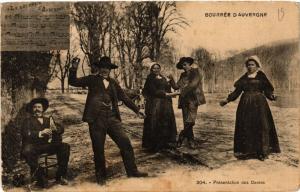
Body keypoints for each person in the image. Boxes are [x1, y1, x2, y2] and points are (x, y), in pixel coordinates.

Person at [68, 56, 148, 185]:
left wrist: (137, 110)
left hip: (112, 118)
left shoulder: (113, 83)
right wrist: (73, 68)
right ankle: (101, 178)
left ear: (110, 69)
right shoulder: (92, 79)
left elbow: (125, 98)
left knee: (125, 143)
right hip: (96, 119)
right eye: (103, 67)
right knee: (98, 149)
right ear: (98, 68)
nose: (105, 70)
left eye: (107, 68)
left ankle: (132, 171)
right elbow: (73, 82)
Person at [220, 55, 281, 161]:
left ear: (257, 66)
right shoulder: (244, 78)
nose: (250, 67)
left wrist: (272, 97)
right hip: (245, 105)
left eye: (252, 65)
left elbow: (267, 90)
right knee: (246, 125)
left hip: (260, 104)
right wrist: (227, 100)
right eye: (248, 65)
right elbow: (237, 92)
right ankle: (247, 151)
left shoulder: (261, 76)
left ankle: (262, 152)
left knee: (262, 126)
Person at [21, 98, 70, 188]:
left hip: (48, 145)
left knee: (65, 146)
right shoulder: (27, 121)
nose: (37, 109)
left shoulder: (48, 120)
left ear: (43, 109)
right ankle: (40, 176)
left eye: (39, 107)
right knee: (27, 151)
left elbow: (60, 129)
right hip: (34, 146)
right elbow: (25, 133)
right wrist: (40, 133)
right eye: (34, 107)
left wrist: (56, 129)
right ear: (32, 109)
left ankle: (60, 175)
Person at [168, 57, 206, 149]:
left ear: (189, 64)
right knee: (186, 121)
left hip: (193, 99)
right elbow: (177, 86)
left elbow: (193, 84)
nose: (184, 67)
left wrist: (182, 91)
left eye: (185, 64)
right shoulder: (182, 75)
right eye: (182, 66)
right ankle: (191, 140)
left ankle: (181, 136)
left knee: (191, 120)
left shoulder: (196, 72)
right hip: (184, 99)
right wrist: (171, 79)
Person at [142, 63, 179, 152]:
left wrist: (171, 79)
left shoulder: (163, 78)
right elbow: (153, 91)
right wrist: (167, 94)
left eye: (158, 68)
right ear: (151, 69)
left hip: (165, 104)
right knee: (155, 123)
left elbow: (174, 87)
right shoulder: (150, 78)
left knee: (165, 121)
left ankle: (165, 143)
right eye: (154, 68)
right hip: (155, 104)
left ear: (160, 68)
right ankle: (154, 145)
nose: (156, 70)